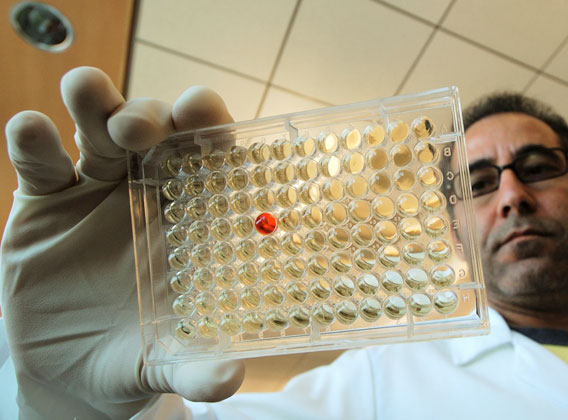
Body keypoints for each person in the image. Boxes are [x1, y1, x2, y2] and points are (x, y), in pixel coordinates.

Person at [0, 67, 566, 419]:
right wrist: (70, 410)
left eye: (537, 167)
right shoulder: (383, 381)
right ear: (452, 225)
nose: (512, 195)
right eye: (481, 181)